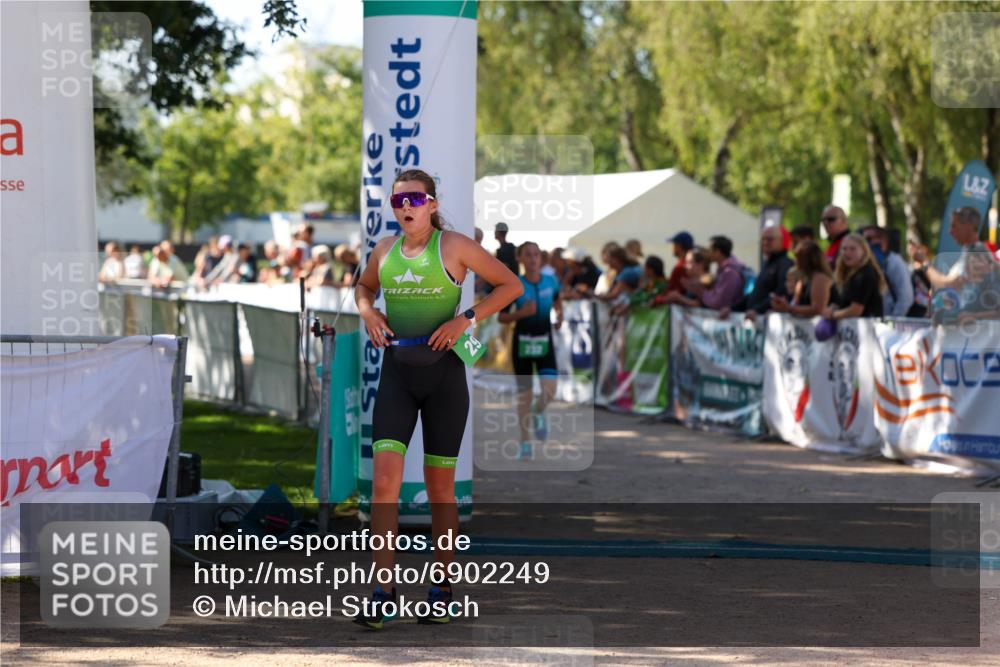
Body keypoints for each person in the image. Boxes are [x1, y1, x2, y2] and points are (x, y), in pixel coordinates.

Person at [354, 169, 522, 629]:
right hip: (397, 376)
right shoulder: (384, 250)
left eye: (413, 199)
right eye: (397, 201)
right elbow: (364, 287)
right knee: (384, 484)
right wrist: (370, 311)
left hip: (444, 377)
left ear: (431, 203)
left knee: (440, 489)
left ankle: (442, 587)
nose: (405, 207)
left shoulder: (453, 246)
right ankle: (383, 589)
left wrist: (465, 318)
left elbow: (511, 286)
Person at [498, 241, 563, 460]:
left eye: (536, 254)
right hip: (523, 344)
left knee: (550, 391)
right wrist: (521, 314)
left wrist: (560, 315)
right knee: (524, 397)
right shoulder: (514, 285)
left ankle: (539, 411)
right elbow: (502, 317)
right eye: (528, 255)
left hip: (545, 342)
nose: (533, 259)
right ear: (520, 258)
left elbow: (557, 299)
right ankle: (525, 442)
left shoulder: (551, 281)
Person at [822, 233, 885, 321]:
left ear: (864, 251)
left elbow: (856, 310)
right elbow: (844, 302)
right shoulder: (846, 274)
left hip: (867, 330)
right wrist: (834, 307)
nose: (847, 253)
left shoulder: (865, 273)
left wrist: (832, 315)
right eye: (844, 249)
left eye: (853, 249)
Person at [770, 240, 835, 318]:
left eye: (798, 258)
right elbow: (796, 303)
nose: (795, 261)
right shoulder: (803, 280)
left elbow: (818, 309)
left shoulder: (820, 278)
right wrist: (783, 305)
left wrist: (789, 308)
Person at [683, 235, 747, 311]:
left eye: (710, 250)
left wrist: (700, 291)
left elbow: (719, 303)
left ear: (718, 252)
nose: (708, 253)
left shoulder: (730, 273)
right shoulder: (723, 270)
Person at [862, 225, 913, 317]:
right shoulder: (865, 264)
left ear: (882, 240)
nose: (865, 243)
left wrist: (892, 321)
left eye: (868, 239)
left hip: (890, 325)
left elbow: (906, 297)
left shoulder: (895, 262)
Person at [744, 225, 794, 318]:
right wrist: (731, 308)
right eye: (763, 239)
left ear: (781, 241)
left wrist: (757, 310)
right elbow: (756, 293)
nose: (765, 242)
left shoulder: (785, 264)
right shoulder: (768, 264)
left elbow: (781, 294)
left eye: (770, 239)